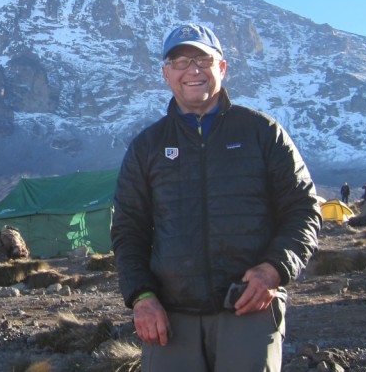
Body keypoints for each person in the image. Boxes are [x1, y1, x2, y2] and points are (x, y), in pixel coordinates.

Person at [112, 23, 321, 372]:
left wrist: (274, 269)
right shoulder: (147, 147)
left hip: (249, 309)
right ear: (166, 74)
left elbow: (304, 209)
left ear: (221, 68)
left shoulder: (262, 133)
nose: (192, 70)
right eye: (180, 62)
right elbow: (128, 230)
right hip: (170, 316)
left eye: (202, 60)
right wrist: (141, 297)